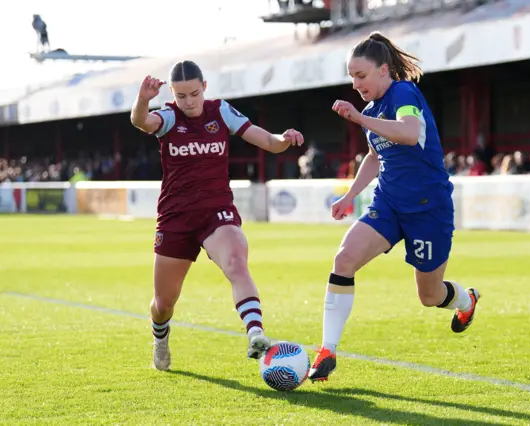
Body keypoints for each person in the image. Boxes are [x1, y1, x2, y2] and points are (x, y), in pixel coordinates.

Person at [308, 32, 481, 382]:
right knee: (344, 259)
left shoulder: (403, 93)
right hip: (389, 204)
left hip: (428, 209)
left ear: (384, 71)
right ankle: (327, 350)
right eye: (351, 77)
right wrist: (349, 196)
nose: (355, 84)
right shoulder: (372, 110)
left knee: (429, 296)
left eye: (361, 75)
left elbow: (408, 132)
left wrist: (359, 119)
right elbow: (375, 156)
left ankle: (466, 301)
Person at [130, 60, 304, 371]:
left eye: (194, 94)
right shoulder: (169, 117)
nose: (189, 102)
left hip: (216, 211)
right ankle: (160, 336)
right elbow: (141, 122)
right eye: (181, 96)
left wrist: (284, 139)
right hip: (176, 218)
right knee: (163, 304)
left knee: (237, 262)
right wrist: (143, 98)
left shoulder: (221, 111)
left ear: (205, 88)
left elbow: (267, 141)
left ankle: (256, 333)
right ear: (172, 94)